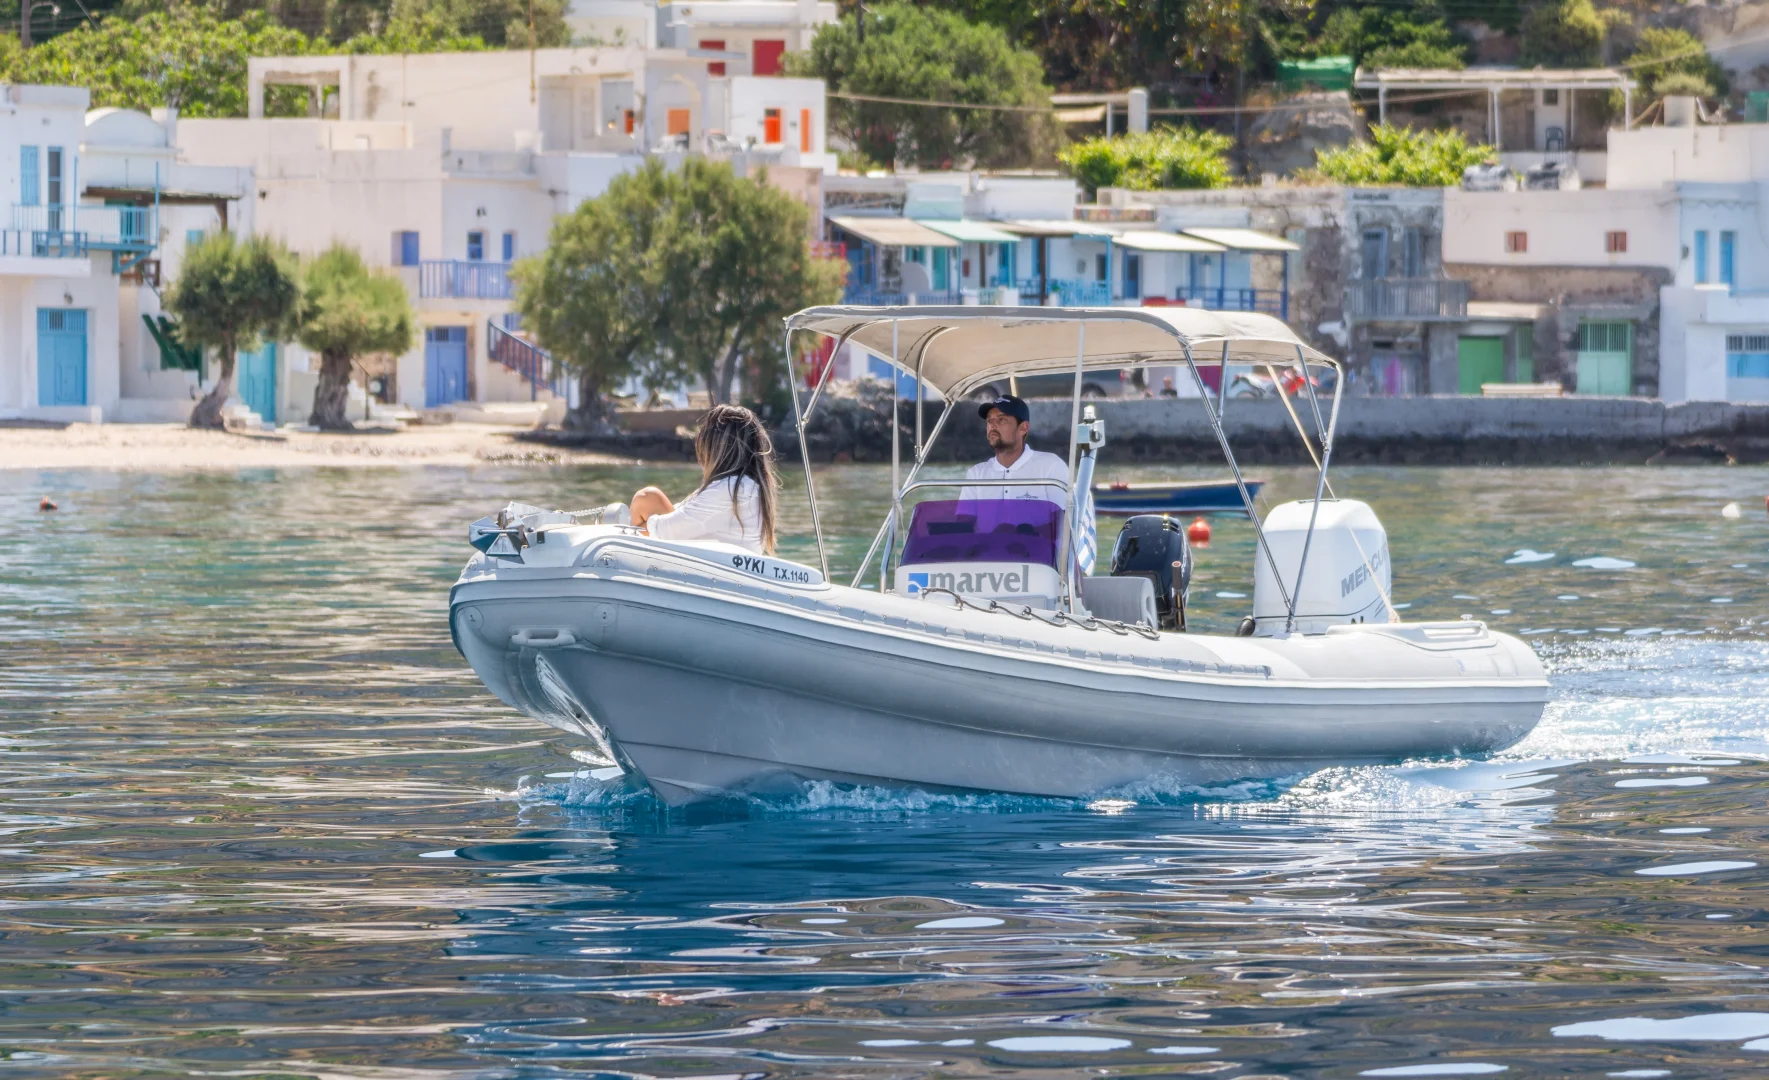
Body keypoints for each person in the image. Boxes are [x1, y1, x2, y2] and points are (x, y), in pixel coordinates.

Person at [629, 404, 778, 555]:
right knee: (650, 500)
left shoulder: (730, 489)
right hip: (726, 567)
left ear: (714, 448)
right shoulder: (750, 487)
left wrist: (629, 531)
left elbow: (666, 530)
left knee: (646, 498)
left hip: (715, 570)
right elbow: (685, 513)